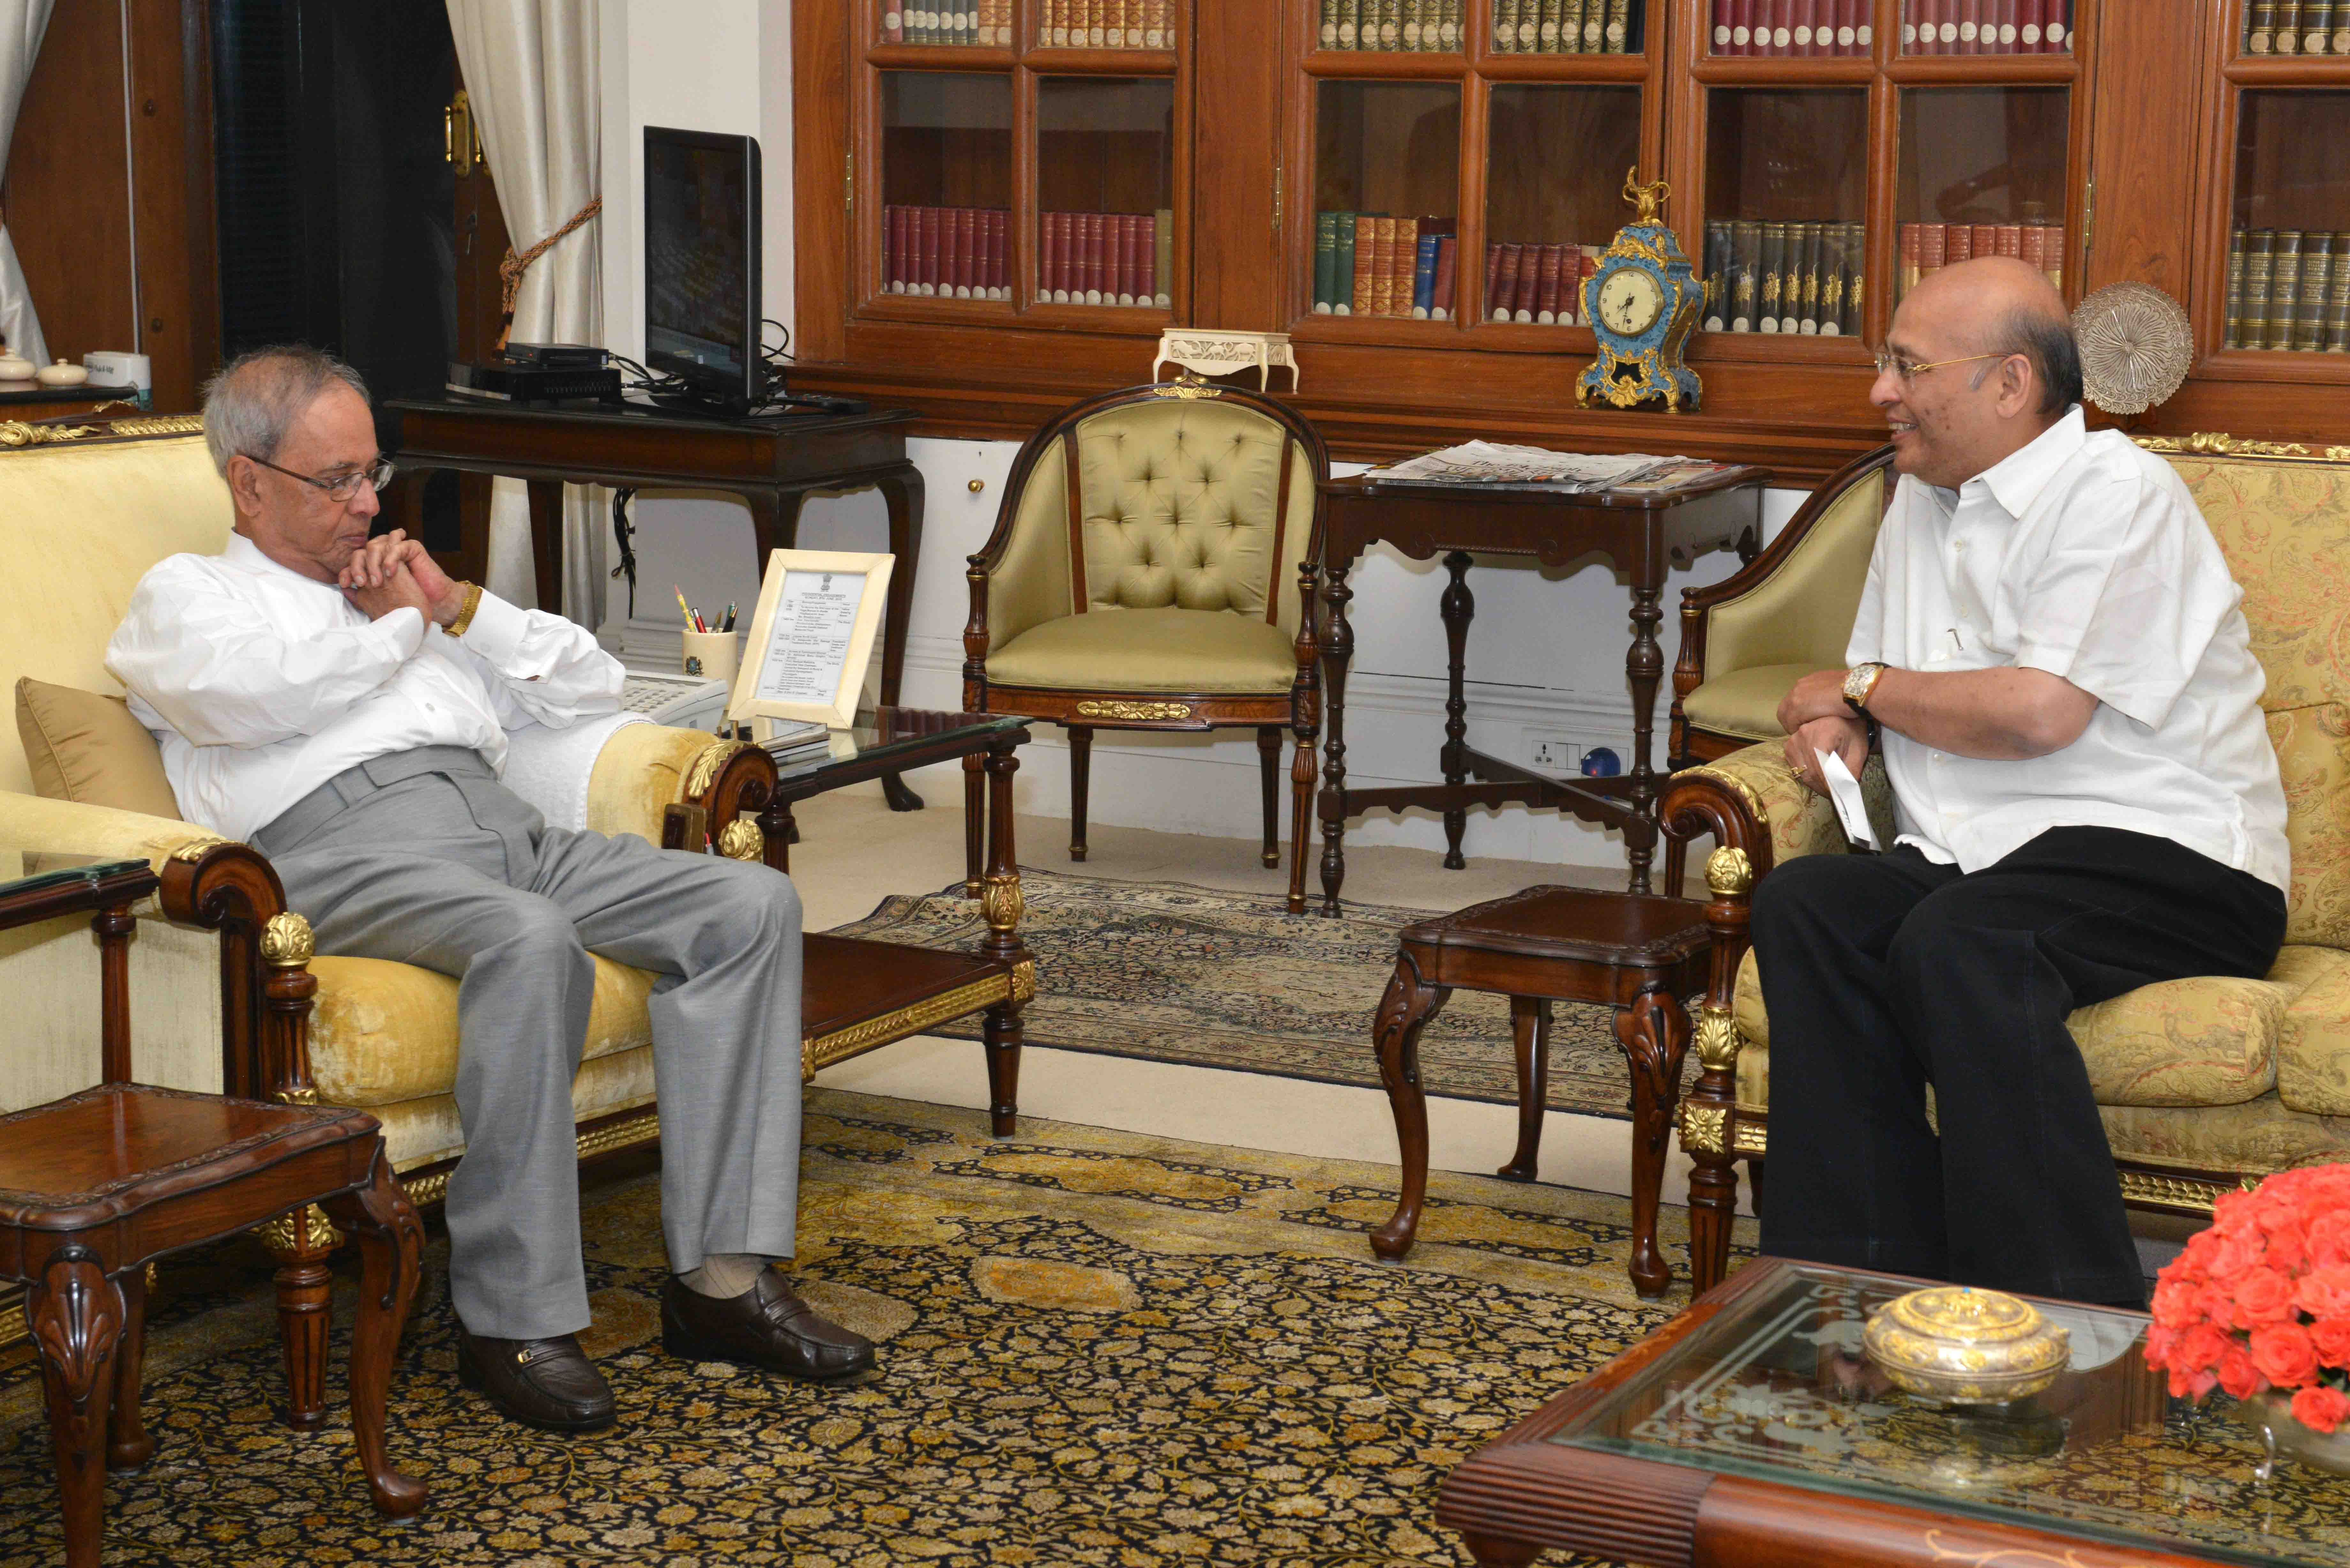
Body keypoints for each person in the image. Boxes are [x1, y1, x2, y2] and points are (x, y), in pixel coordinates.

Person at [107, 345, 875, 1431]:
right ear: (247, 481)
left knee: (748, 908)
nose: (368, 504)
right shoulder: (192, 596)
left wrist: (458, 604)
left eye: (375, 474)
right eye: (338, 482)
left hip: (501, 826)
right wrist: (400, 634)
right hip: (341, 849)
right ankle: (512, 1318)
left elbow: (589, 685)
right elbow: (255, 702)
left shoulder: (405, 598)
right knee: (527, 939)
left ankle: (723, 1284)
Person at [1754, 257, 2288, 1309]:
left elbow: (2041, 714)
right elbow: (1872, 690)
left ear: (2009, 384)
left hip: (2169, 855)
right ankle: (1851, 1295)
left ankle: (2060, 1321)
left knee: (1965, 943)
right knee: (1810, 903)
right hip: (1974, 859)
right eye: (1883, 362)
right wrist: (1834, 722)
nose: (1881, 392)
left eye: (1907, 366)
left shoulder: (2118, 491)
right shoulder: (1917, 497)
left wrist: (1854, 684)